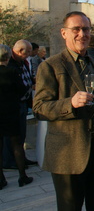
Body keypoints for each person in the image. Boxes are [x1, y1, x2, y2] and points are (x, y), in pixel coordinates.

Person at [32, 11, 94, 210]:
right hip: (68, 153)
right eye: (76, 29)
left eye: (86, 29)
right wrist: (69, 104)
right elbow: (39, 108)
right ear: (64, 33)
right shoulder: (50, 66)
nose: (82, 34)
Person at [0, 44, 33, 189]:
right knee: (17, 144)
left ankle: (1, 179)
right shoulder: (12, 72)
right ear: (7, 56)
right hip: (11, 111)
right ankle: (22, 176)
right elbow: (23, 89)